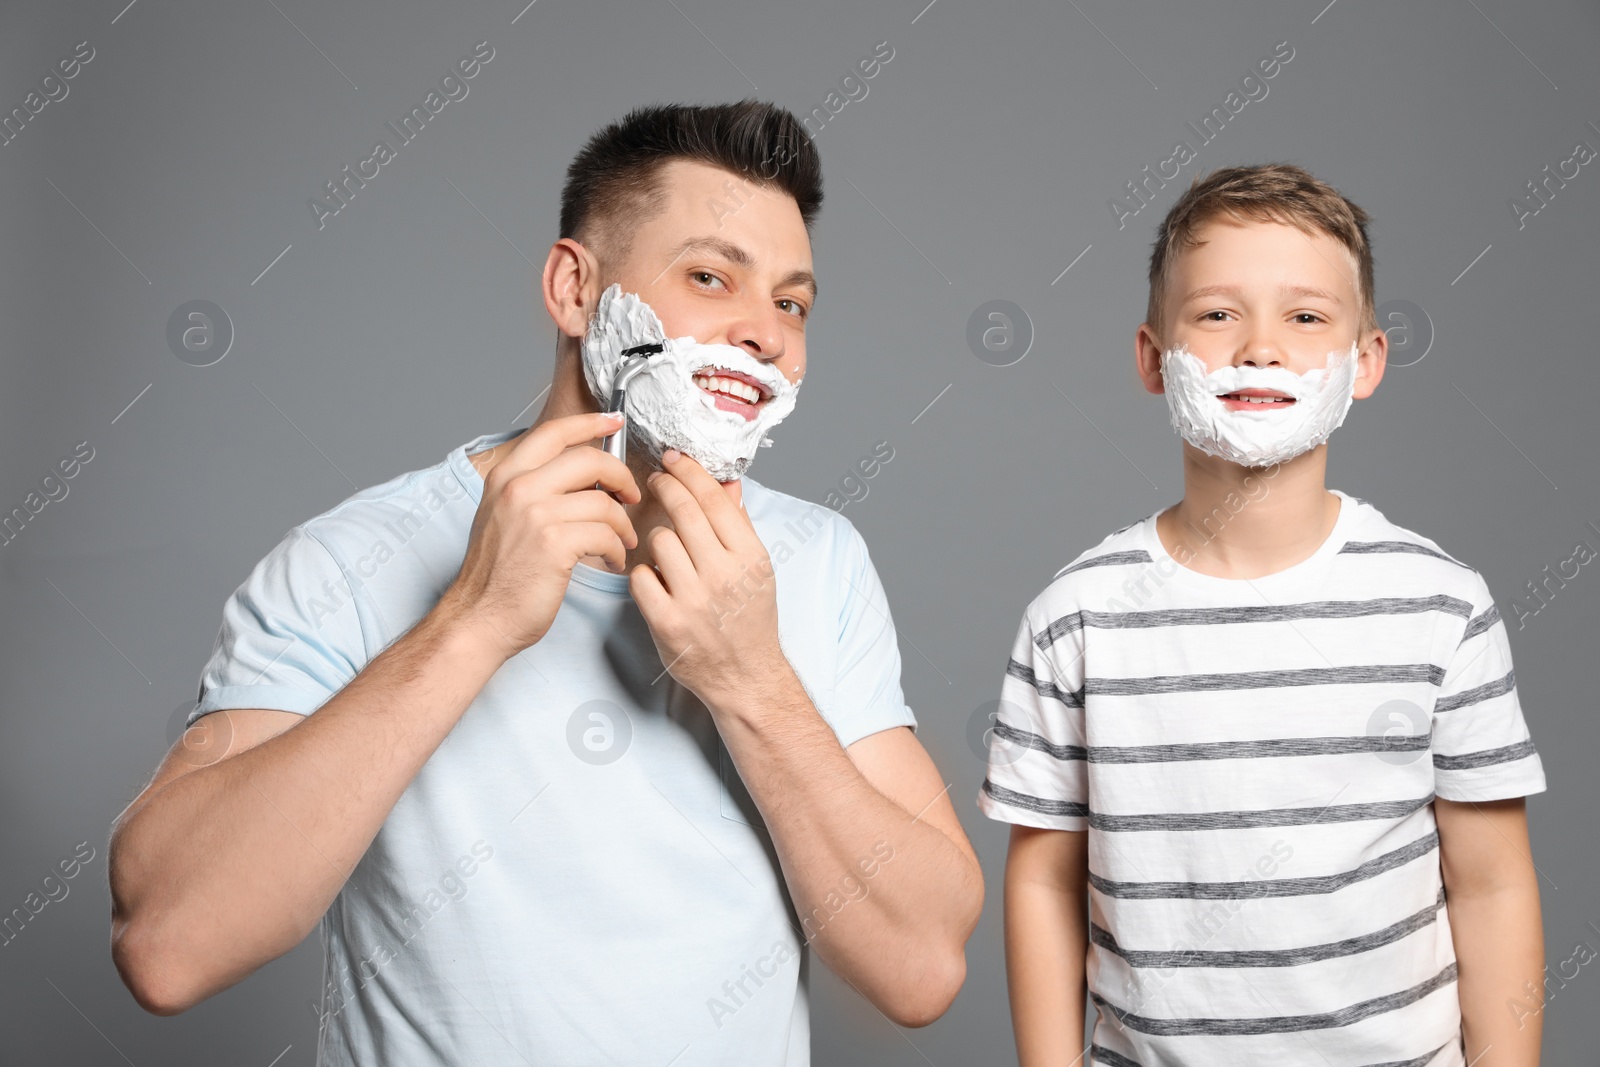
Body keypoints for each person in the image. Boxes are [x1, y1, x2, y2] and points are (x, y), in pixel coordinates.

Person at [109, 101, 982, 1065]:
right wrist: (471, 622)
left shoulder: (819, 562)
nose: (766, 333)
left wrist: (754, 684)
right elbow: (167, 945)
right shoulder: (346, 561)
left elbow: (922, 966)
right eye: (709, 276)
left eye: (791, 302)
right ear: (575, 290)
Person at [980, 163, 1546, 1066]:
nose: (1260, 348)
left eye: (1307, 317)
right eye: (1216, 314)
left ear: (1365, 362)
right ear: (1151, 356)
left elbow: (1491, 886)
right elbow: (1045, 883)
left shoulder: (1443, 606)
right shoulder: (1075, 619)